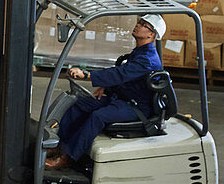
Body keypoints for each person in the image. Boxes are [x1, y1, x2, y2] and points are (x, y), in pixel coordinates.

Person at [47, 13, 166, 169]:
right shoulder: (139, 52)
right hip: (122, 99)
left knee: (98, 116)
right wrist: (106, 86)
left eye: (144, 25)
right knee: (80, 104)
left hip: (136, 107)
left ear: (152, 34)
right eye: (140, 22)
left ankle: (68, 157)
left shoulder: (148, 59)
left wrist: (87, 74)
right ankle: (59, 146)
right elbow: (125, 76)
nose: (138, 25)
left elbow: (120, 74)